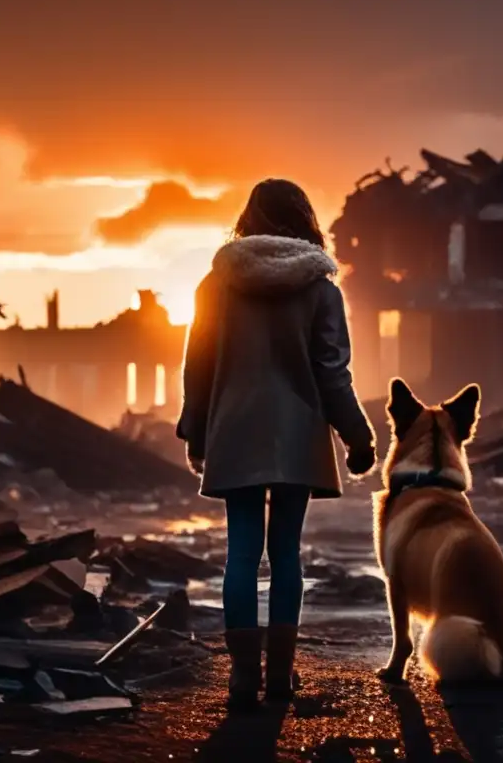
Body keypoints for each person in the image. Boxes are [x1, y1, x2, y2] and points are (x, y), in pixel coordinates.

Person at [176, 178, 376, 710]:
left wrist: (195, 431)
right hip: (298, 436)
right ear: (305, 220)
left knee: (240, 554)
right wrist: (358, 437)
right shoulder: (321, 289)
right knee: (286, 554)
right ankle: (281, 679)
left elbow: (198, 368)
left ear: (247, 219)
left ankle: (243, 680)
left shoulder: (214, 286)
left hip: (235, 431)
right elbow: (334, 374)